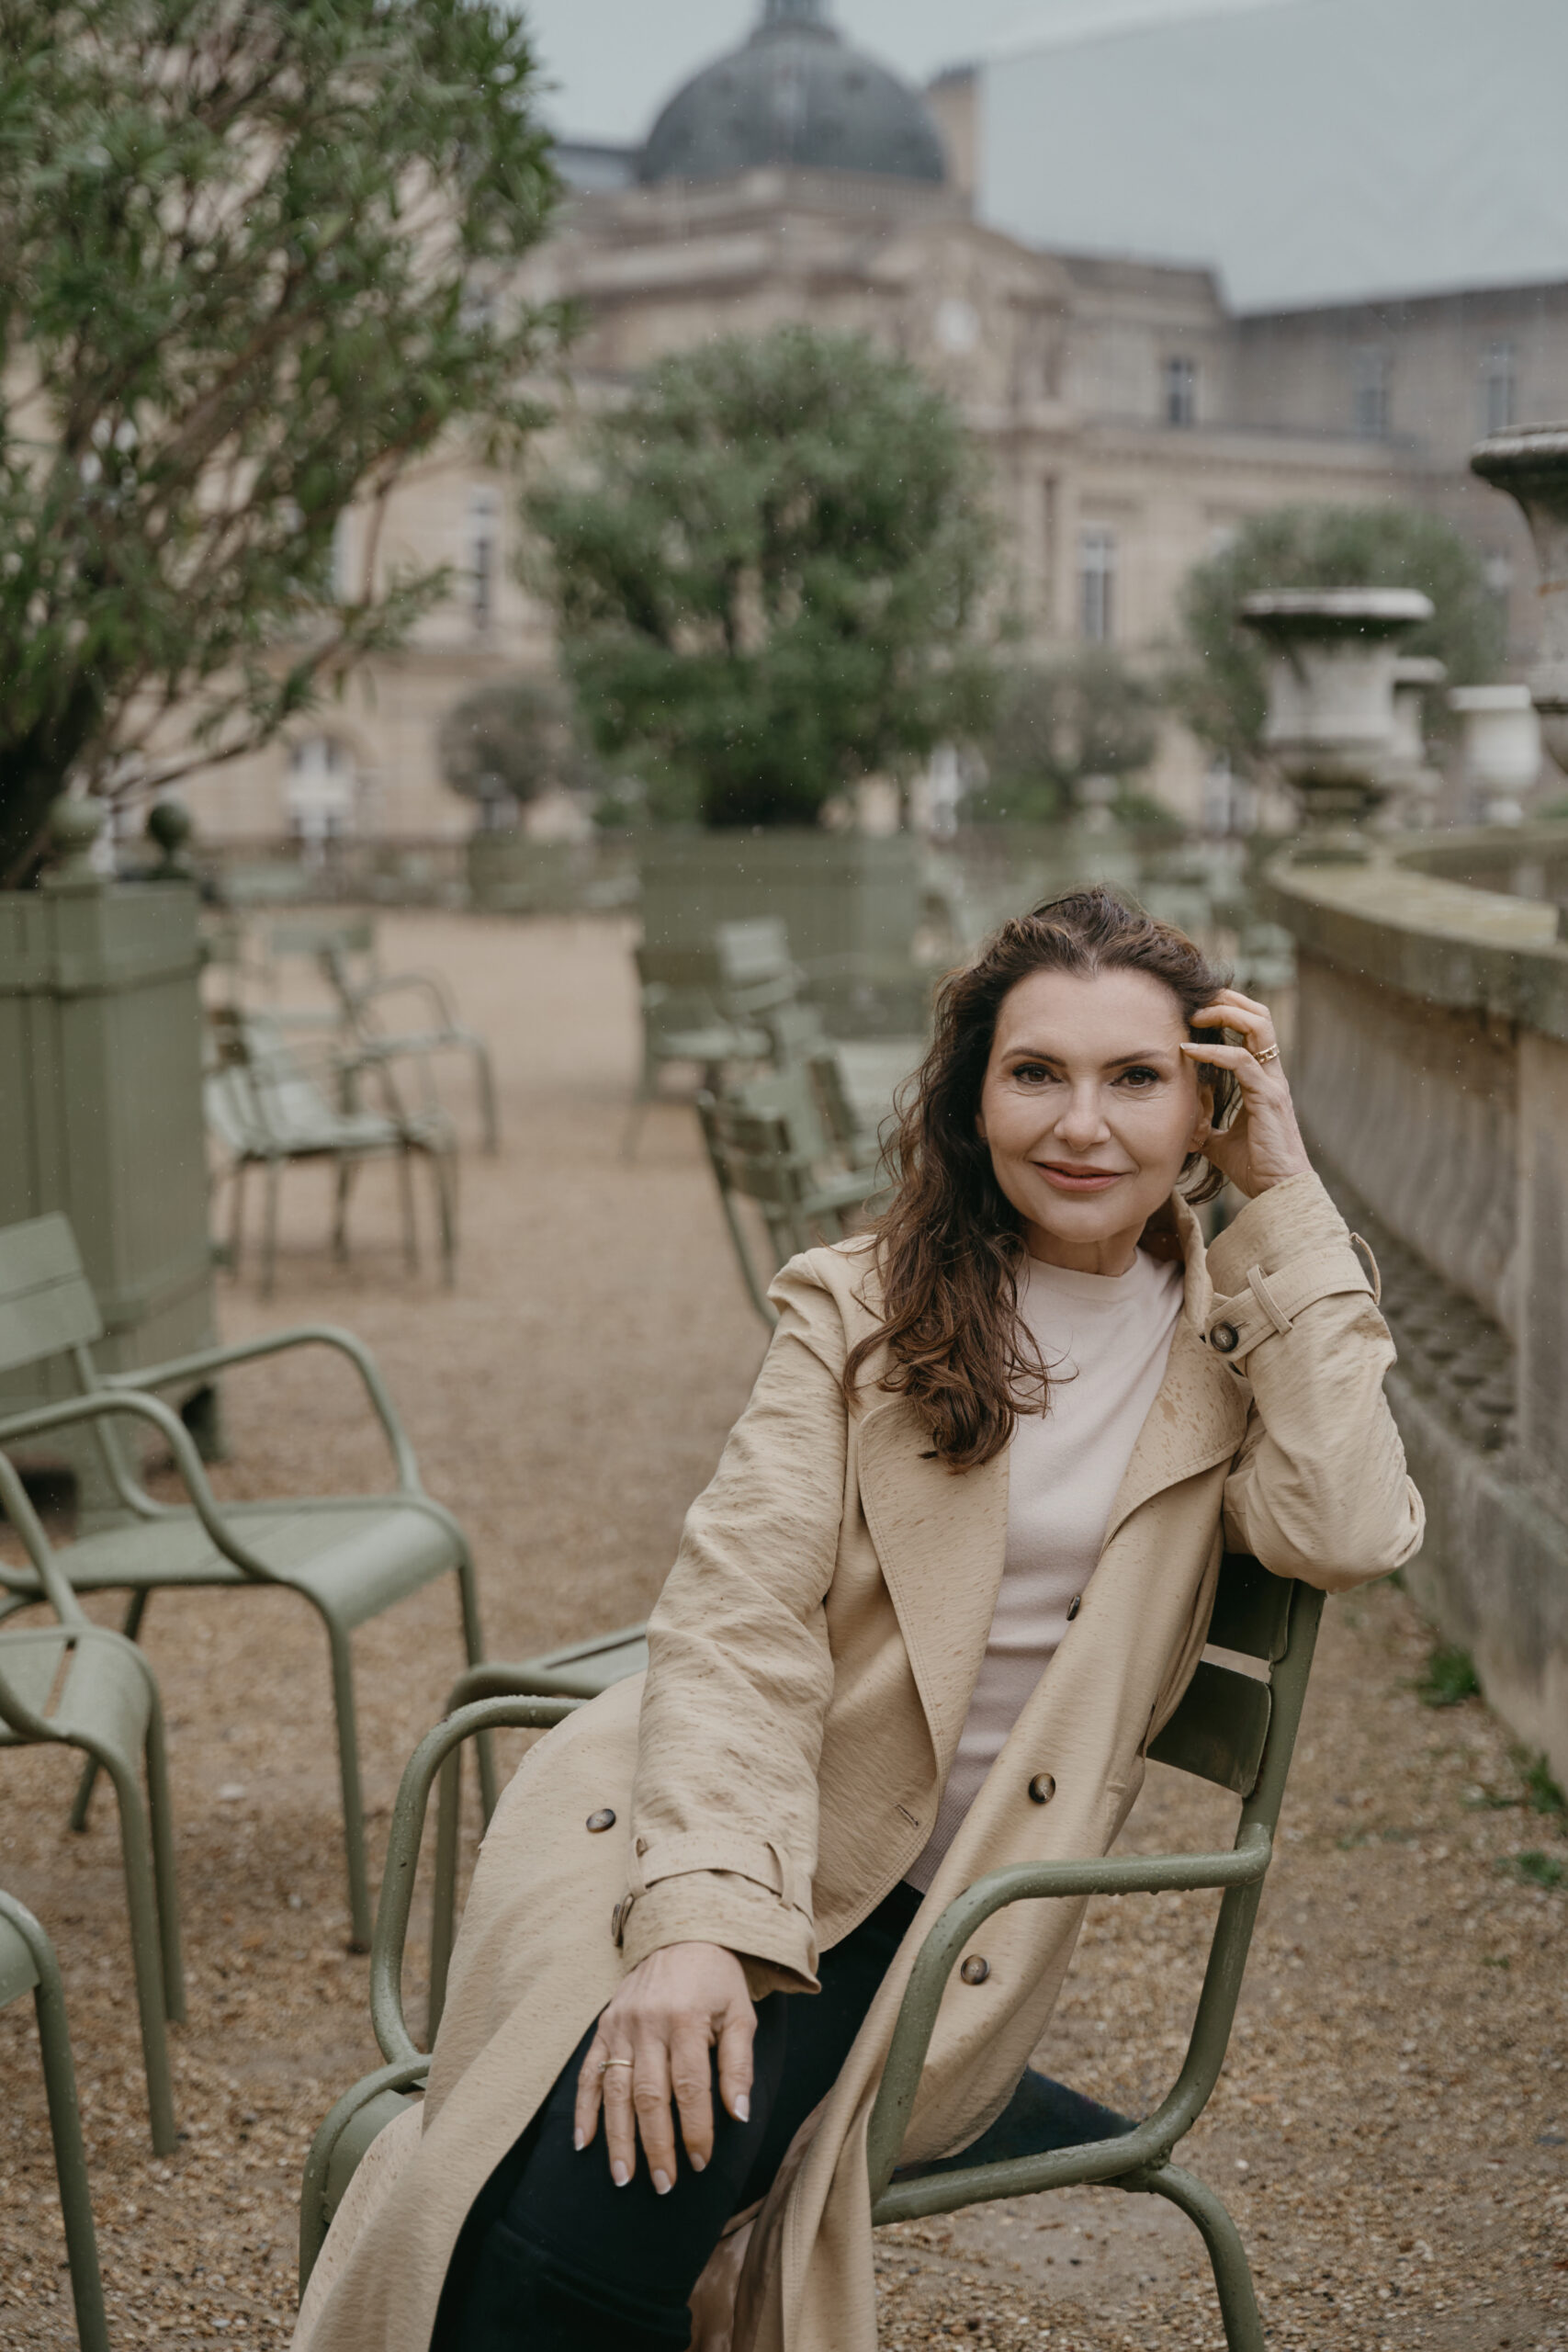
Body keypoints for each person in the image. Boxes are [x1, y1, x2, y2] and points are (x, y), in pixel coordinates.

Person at [294, 888, 1423, 2352]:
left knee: (611, 2175)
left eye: (1136, 1079)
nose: (1083, 1125)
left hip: (932, 1924)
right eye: (1037, 1074)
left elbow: (1346, 1527)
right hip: (712, 1826)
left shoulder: (1233, 1355)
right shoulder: (861, 1308)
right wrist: (699, 1927)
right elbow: (736, 1618)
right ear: (974, 1097)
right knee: (574, 2158)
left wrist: (1286, 1193)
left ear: (1206, 1104)